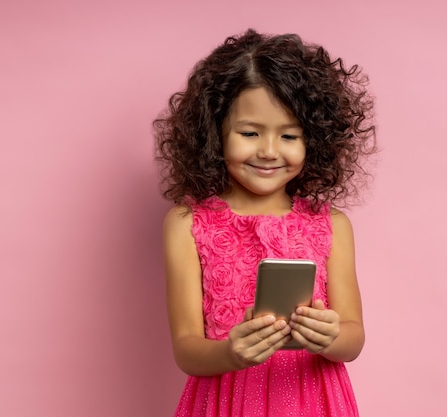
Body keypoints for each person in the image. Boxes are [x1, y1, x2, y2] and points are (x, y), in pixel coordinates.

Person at [154, 28, 376, 417]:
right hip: (227, 402)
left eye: (289, 135)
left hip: (313, 399)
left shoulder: (332, 224)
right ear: (214, 132)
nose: (270, 151)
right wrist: (230, 352)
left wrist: (329, 336)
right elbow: (186, 348)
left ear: (315, 141)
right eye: (250, 132)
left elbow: (353, 337)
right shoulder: (186, 224)